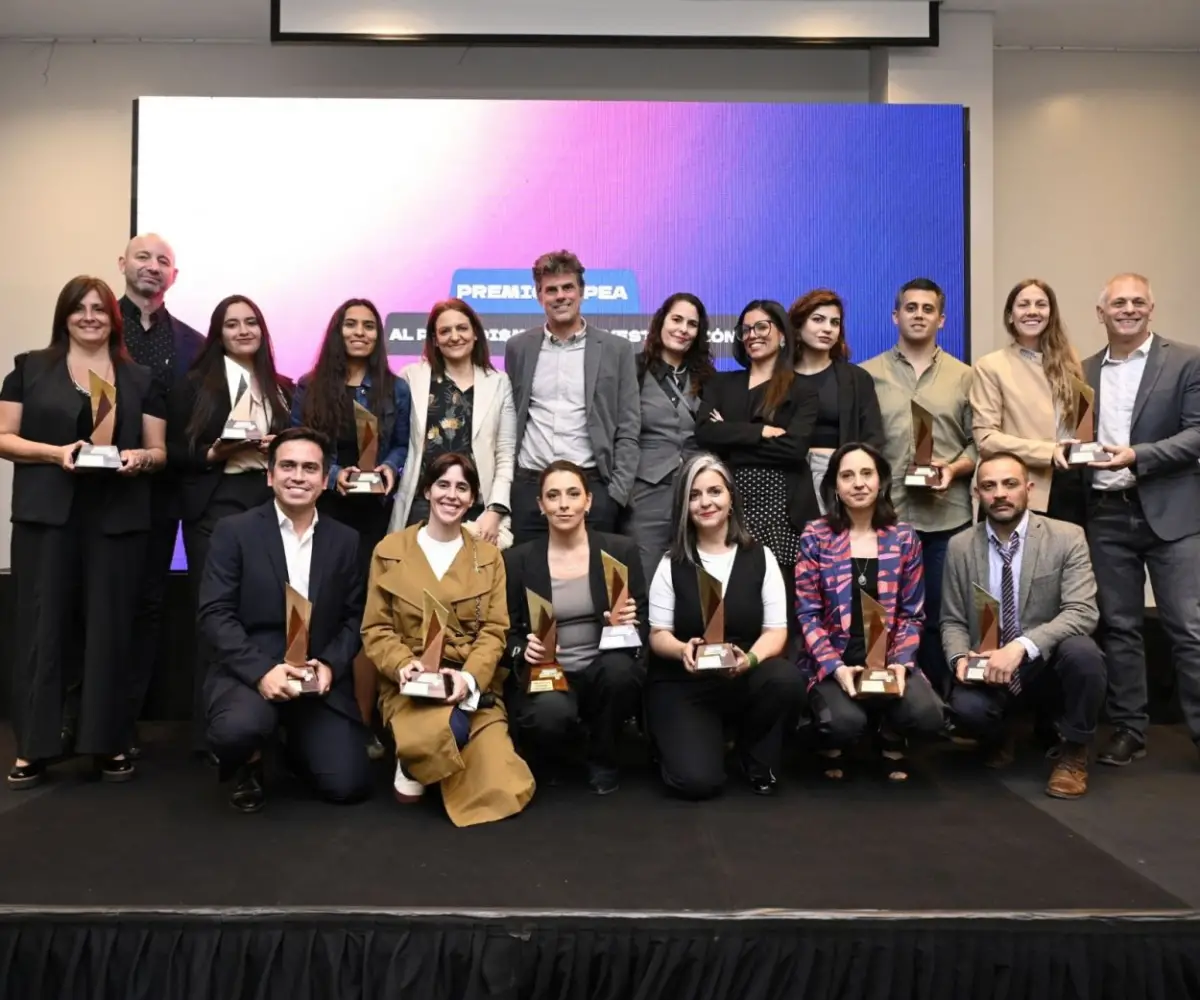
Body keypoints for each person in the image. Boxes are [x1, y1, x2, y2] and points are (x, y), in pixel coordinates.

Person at [1, 276, 166, 789]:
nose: (90, 316)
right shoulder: (29, 369)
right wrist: (55, 454)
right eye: (80, 308)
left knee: (110, 630)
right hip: (46, 517)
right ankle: (34, 748)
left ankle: (108, 742)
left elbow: (159, 451)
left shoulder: (140, 379)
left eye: (99, 308)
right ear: (64, 315)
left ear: (114, 318)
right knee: (41, 629)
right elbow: (4, 438)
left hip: (116, 519)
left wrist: (140, 458)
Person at [1055, 272, 1200, 766]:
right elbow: (1075, 436)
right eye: (1119, 303)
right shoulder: (1083, 371)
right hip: (1107, 515)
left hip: (1171, 514)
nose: (1129, 309)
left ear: (1151, 309)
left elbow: (1197, 435)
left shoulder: (1185, 360)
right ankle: (1129, 730)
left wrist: (1138, 455)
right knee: (1119, 628)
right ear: (1102, 313)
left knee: (1189, 628)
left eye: (1138, 301)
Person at [198, 428, 372, 812]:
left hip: (316, 675)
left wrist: (330, 665)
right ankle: (250, 761)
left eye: (310, 468)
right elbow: (215, 614)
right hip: (252, 670)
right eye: (288, 466)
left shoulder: (345, 540)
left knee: (349, 784)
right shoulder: (234, 532)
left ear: (324, 480)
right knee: (238, 730)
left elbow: (355, 615)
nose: (298, 476)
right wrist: (262, 672)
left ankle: (294, 744)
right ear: (270, 475)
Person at [362, 452, 535, 826]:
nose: (451, 495)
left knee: (504, 789)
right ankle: (415, 759)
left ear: (473, 498)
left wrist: (468, 679)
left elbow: (494, 631)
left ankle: (425, 761)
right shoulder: (389, 551)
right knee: (448, 731)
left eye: (462, 487)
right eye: (443, 484)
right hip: (409, 682)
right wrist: (401, 665)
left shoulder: (489, 558)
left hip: (467, 685)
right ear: (427, 489)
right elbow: (376, 629)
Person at [167, 295, 293, 750]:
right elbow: (175, 454)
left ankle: (270, 724)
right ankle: (214, 733)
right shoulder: (194, 385)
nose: (243, 331)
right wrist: (216, 452)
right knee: (217, 617)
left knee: (267, 614)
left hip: (270, 507)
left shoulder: (282, 386)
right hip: (216, 505)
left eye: (251, 322)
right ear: (217, 333)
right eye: (231, 324)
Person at [941, 453, 1104, 798]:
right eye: (989, 486)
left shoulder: (1067, 537)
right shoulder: (960, 546)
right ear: (977, 495)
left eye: (1010, 484)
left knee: (1084, 655)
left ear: (1028, 489)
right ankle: (1005, 731)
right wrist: (959, 660)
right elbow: (952, 619)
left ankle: (1074, 751)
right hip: (988, 667)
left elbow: (1082, 611)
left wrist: (1020, 647)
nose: (1000, 493)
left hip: (1043, 664)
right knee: (966, 709)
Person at [291, 298, 412, 759]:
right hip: (326, 512)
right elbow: (300, 441)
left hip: (374, 518)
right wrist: (336, 470)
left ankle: (362, 722)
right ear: (337, 331)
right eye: (351, 325)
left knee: (365, 615)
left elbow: (402, 444)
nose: (360, 332)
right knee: (324, 605)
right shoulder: (311, 386)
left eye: (368, 326)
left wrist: (388, 470)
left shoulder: (393, 388)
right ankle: (313, 710)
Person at [645, 453, 804, 799]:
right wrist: (682, 649)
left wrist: (749, 661)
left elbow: (776, 631)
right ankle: (686, 740)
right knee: (697, 782)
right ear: (684, 506)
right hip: (684, 683)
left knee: (786, 679)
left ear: (731, 497)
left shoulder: (762, 557)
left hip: (742, 676)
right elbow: (658, 635)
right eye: (694, 495)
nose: (706, 502)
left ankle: (753, 753)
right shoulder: (670, 563)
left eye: (714, 491)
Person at [795, 442, 943, 782]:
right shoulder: (815, 536)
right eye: (847, 476)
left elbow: (912, 615)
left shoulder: (904, 538)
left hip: (889, 662)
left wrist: (901, 665)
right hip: (835, 662)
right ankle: (835, 738)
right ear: (834, 486)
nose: (858, 483)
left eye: (866, 474)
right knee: (843, 723)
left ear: (881, 481)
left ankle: (890, 732)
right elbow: (807, 615)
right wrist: (836, 668)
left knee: (929, 716)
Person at [504, 461, 648, 795]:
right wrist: (521, 648)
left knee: (620, 673)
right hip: (548, 672)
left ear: (589, 501)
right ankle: (557, 754)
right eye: (553, 496)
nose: (563, 504)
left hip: (604, 666)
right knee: (549, 714)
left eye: (572, 494)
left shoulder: (619, 550)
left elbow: (643, 619)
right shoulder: (519, 560)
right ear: (541, 505)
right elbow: (504, 632)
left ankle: (604, 757)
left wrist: (627, 624)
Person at [862, 279, 975, 696]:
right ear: (896, 316)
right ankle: (893, 708)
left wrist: (955, 468)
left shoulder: (965, 377)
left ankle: (942, 704)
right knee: (885, 615)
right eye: (910, 307)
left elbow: (979, 442)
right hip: (885, 518)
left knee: (942, 617)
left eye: (928, 309)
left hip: (947, 518)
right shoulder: (867, 375)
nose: (919, 314)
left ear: (942, 319)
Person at [117, 234, 204, 755]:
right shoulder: (96, 327)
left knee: (149, 603)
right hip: (106, 488)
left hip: (172, 490)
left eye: (163, 261)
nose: (152, 267)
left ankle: (126, 723)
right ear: (122, 263)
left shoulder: (193, 343)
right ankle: (85, 718)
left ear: (175, 275)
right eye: (143, 257)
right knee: (101, 601)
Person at [504, 250, 640, 544]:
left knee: (595, 585)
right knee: (529, 583)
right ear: (539, 295)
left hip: (593, 488)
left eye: (568, 287)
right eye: (551, 289)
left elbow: (629, 427)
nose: (560, 296)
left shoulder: (617, 349)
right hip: (531, 487)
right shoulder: (518, 348)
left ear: (582, 292)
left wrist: (615, 494)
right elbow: (511, 418)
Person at [695, 299, 819, 589]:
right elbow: (705, 434)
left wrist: (729, 433)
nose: (753, 335)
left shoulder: (803, 389)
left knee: (779, 604)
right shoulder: (721, 384)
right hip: (727, 506)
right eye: (746, 329)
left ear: (783, 334)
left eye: (762, 326)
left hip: (782, 514)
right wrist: (761, 432)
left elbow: (794, 449)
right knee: (730, 597)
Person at [391, 298, 515, 548]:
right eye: (445, 331)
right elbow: (397, 441)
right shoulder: (411, 377)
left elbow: (505, 453)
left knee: (472, 584)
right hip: (422, 505)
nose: (454, 336)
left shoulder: (499, 382)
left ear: (475, 334)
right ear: (434, 339)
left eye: (462, 328)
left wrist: (496, 509)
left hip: (478, 509)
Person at [970, 279, 1086, 525]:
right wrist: (1049, 452)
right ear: (1010, 316)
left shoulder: (1070, 362)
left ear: (1050, 314)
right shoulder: (991, 366)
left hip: (1069, 485)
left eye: (1041, 304)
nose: (1033, 311)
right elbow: (986, 439)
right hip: (1019, 490)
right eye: (1024, 305)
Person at [625, 292, 716, 582]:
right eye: (676, 319)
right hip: (646, 493)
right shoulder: (633, 369)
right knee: (647, 577)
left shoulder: (708, 378)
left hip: (696, 493)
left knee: (694, 578)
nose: (683, 329)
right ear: (660, 322)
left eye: (692, 324)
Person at [789, 289, 885, 513]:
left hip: (840, 477)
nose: (827, 329)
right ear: (798, 324)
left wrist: (852, 476)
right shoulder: (777, 378)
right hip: (788, 475)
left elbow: (873, 436)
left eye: (835, 322)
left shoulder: (856, 378)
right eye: (818, 320)